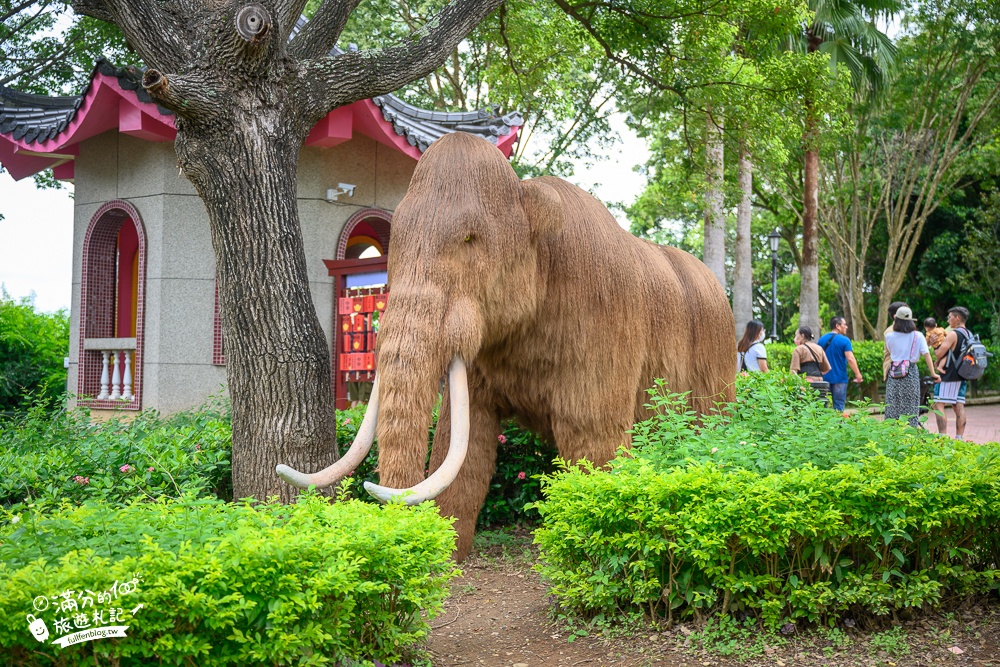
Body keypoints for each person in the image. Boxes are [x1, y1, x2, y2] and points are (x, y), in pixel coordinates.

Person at [884, 306, 940, 427]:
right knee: (910, 407)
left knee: (893, 405)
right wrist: (933, 373)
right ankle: (910, 434)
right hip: (911, 372)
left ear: (896, 320)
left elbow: (890, 351)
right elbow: (927, 355)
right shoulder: (918, 336)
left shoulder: (889, 336)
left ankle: (891, 434)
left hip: (894, 373)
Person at [932, 306, 972, 439]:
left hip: (948, 376)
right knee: (959, 405)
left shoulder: (954, 334)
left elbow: (939, 354)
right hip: (962, 375)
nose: (948, 320)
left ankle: (942, 437)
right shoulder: (969, 334)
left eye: (950, 317)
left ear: (957, 318)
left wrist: (934, 344)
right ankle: (959, 438)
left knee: (939, 404)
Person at [817, 316, 864, 412]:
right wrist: (858, 374)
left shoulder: (821, 340)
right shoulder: (844, 340)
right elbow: (850, 358)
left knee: (823, 406)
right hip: (840, 378)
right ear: (838, 326)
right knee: (839, 406)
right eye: (844, 324)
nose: (846, 327)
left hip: (824, 378)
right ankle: (838, 426)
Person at [790, 326, 832, 403]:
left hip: (805, 381)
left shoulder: (798, 349)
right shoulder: (819, 348)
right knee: (819, 403)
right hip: (819, 381)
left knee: (806, 404)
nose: (795, 338)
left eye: (796, 335)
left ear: (802, 336)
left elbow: (793, 371)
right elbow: (827, 368)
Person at [883, 301, 908, 382]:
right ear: (895, 316)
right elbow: (900, 351)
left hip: (906, 370)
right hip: (895, 370)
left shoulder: (908, 329)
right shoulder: (890, 332)